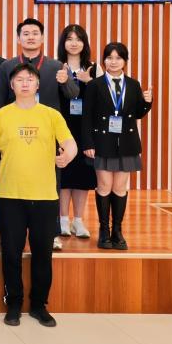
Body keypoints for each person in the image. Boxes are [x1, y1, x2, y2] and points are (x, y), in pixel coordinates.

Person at [0, 62, 77, 328]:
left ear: (38, 84)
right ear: (11, 85)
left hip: (45, 197)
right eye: (19, 79)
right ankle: (13, 304)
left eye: (30, 79)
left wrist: (67, 156)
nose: (25, 83)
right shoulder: (1, 115)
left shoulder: (51, 115)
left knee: (42, 254)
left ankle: (39, 305)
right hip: (9, 195)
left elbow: (70, 144)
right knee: (11, 254)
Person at [0, 18, 79, 251]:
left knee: (51, 180)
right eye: (26, 33)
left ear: (42, 37)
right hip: (13, 132)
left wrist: (66, 81)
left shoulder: (56, 66)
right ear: (18, 38)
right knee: (8, 173)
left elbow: (73, 95)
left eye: (35, 33)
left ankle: (52, 232)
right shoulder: (7, 66)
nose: (30, 37)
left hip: (46, 133)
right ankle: (5, 224)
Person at [81, 42, 153, 251]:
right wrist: (88, 143)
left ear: (125, 61)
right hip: (101, 143)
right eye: (109, 57)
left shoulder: (133, 84)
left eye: (118, 58)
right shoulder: (95, 85)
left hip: (127, 143)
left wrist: (147, 102)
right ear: (104, 60)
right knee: (104, 186)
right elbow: (86, 117)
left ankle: (117, 231)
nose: (113, 62)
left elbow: (138, 113)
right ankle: (104, 230)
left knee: (120, 188)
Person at [56, 24, 98, 239]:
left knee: (83, 174)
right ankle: (63, 219)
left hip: (85, 128)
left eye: (78, 39)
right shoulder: (57, 66)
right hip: (62, 126)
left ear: (84, 43)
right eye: (69, 39)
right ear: (63, 43)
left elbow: (102, 99)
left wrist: (90, 82)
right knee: (64, 173)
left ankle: (78, 220)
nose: (74, 43)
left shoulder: (93, 68)